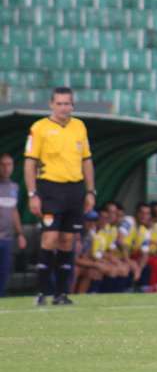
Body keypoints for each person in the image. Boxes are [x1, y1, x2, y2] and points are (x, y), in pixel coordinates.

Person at [24, 87, 97, 306]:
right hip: (49, 189)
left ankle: (61, 294)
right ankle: (41, 292)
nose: (64, 107)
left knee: (67, 241)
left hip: (74, 190)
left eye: (68, 103)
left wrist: (91, 191)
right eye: (60, 103)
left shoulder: (79, 127)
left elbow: (86, 160)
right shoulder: (39, 128)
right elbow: (30, 163)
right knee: (50, 238)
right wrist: (32, 194)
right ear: (51, 104)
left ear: (73, 105)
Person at [0, 153, 27, 298]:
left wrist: (20, 234)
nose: (6, 168)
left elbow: (14, 211)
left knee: (4, 271)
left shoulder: (14, 187)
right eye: (3, 164)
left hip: (8, 238)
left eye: (9, 164)